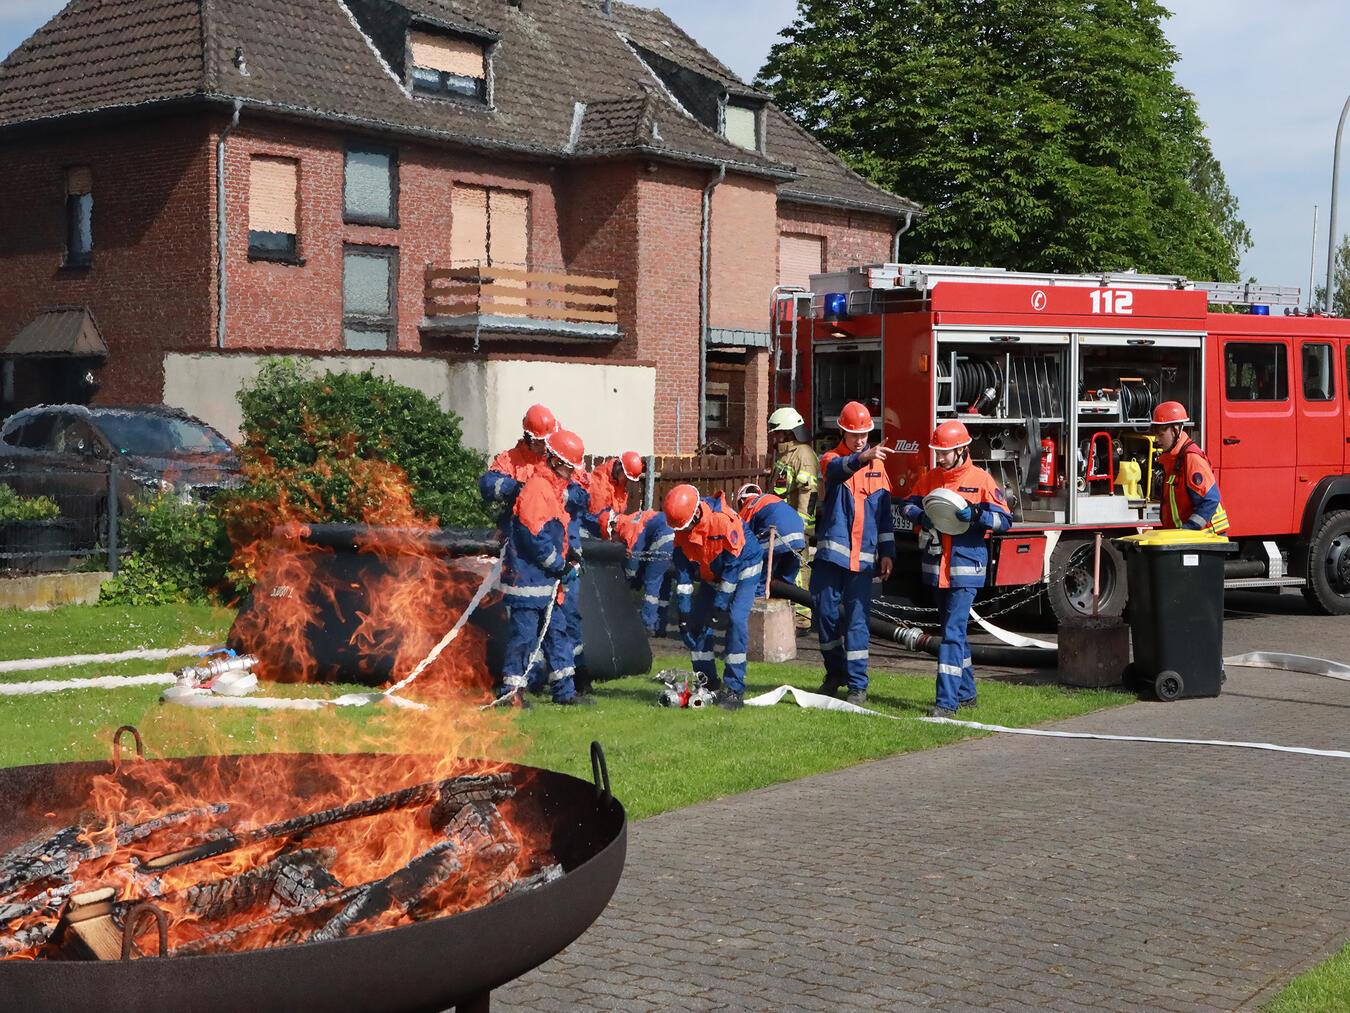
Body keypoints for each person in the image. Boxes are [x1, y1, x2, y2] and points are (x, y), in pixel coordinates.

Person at [900, 420, 1012, 719]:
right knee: (956, 634)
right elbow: (905, 505)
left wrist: (976, 515)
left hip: (965, 568)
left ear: (962, 450)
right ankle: (967, 694)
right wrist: (921, 515)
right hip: (937, 568)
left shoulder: (982, 480)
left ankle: (946, 703)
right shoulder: (931, 478)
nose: (940, 457)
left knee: (950, 634)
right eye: (938, 452)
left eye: (945, 452)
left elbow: (1005, 521)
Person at [498, 428, 594, 708]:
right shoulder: (538, 489)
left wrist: (571, 554)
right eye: (569, 468)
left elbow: (555, 532)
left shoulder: (553, 489)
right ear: (555, 461)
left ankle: (565, 692)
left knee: (557, 635)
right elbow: (534, 537)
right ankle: (511, 694)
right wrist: (560, 566)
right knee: (524, 638)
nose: (571, 474)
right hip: (528, 581)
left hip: (547, 582)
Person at [811, 401, 893, 705]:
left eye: (865, 435)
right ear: (842, 432)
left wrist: (888, 551)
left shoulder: (879, 466)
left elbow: (883, 513)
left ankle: (858, 685)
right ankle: (836, 672)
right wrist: (862, 457)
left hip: (865, 557)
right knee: (824, 613)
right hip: (832, 559)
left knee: (858, 622)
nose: (861, 440)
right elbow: (837, 470)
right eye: (854, 435)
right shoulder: (831, 459)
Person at [664, 484, 765, 711]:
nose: (684, 531)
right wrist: (684, 614)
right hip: (712, 573)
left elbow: (732, 568)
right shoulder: (682, 529)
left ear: (696, 513)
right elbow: (683, 576)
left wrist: (718, 609)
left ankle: (734, 689)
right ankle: (707, 683)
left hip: (743, 568)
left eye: (687, 526)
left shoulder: (722, 521)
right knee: (697, 626)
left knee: (737, 621)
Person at [1152, 401, 1230, 534]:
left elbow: (1211, 500)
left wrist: (1188, 530)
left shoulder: (1191, 459)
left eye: (1161, 435)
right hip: (1190, 539)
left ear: (1176, 430)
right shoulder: (1174, 459)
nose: (1157, 440)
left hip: (1207, 538)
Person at [479, 404, 559, 525]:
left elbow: (582, 490)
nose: (544, 448)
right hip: (516, 530)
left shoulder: (560, 461)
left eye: (547, 442)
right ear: (528, 439)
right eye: (539, 443)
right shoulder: (511, 459)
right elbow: (487, 484)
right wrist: (516, 488)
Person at [735, 483, 806, 597]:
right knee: (785, 584)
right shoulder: (770, 499)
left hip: (778, 536)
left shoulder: (749, 506)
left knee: (758, 574)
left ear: (742, 500)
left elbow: (742, 539)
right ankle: (784, 605)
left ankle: (757, 601)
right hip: (798, 538)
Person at [617, 509, 676, 636]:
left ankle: (648, 623)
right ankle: (660, 626)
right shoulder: (636, 518)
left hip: (663, 540)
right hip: (672, 539)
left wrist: (630, 578)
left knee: (652, 580)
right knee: (664, 582)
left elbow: (634, 556)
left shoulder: (627, 528)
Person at [767, 407, 818, 527]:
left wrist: (801, 527)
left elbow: (808, 493)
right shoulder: (786, 454)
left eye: (777, 432)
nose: (774, 435)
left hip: (794, 527)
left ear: (789, 432)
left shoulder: (804, 456)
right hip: (781, 521)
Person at [586, 451, 645, 537]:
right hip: (594, 533)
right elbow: (598, 517)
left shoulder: (620, 485)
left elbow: (619, 510)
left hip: (609, 530)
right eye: (627, 478)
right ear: (619, 469)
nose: (627, 482)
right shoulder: (599, 484)